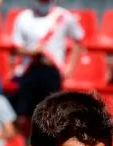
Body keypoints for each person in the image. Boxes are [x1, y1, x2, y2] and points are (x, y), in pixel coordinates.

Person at [11, 0, 84, 137]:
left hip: (51, 71)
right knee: (23, 117)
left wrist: (70, 66)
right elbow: (17, 47)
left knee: (50, 116)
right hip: (29, 70)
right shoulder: (23, 17)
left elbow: (78, 39)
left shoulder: (63, 16)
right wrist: (31, 52)